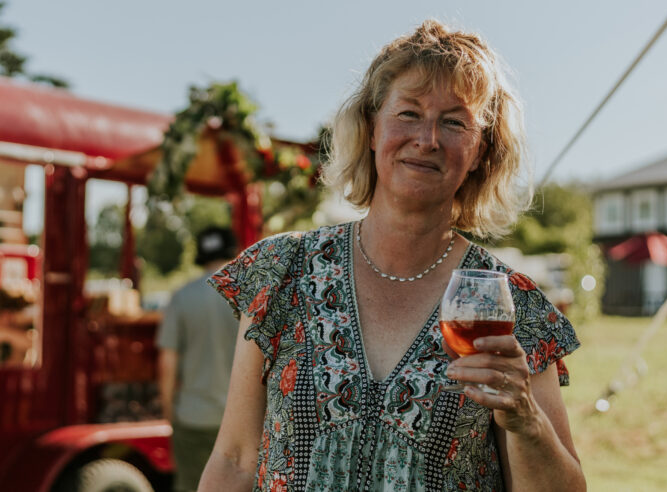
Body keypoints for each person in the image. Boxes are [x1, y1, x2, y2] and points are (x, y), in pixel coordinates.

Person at [200, 19, 584, 491]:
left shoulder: (511, 303)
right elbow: (235, 460)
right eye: (408, 113)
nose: (427, 139)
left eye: (454, 122)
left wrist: (526, 419)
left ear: (482, 151)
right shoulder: (281, 272)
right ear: (370, 129)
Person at [156, 226, 241, 492]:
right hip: (239, 420)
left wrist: (171, 413)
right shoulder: (248, 297)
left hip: (193, 418)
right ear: (232, 253)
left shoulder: (182, 297)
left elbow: (167, 360)